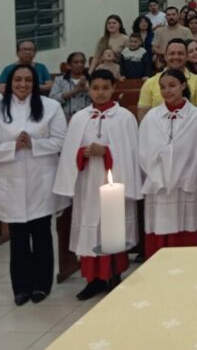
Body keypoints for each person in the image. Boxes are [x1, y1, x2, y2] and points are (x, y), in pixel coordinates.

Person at [0, 65, 68, 304]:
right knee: (18, 237)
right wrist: (13, 147)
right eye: (18, 80)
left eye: (28, 80)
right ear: (10, 83)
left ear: (35, 82)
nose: (22, 84)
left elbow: (61, 141)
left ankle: (41, 285)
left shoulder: (51, 107)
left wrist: (34, 144)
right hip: (11, 183)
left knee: (41, 234)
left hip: (42, 180)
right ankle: (21, 287)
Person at [53, 69, 140, 300]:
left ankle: (113, 276)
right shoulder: (80, 118)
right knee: (90, 230)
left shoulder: (125, 118)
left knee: (113, 229)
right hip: (87, 185)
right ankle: (93, 279)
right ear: (88, 89)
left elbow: (131, 154)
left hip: (114, 182)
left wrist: (106, 151)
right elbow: (70, 152)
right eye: (95, 88)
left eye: (105, 88)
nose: (100, 93)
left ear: (113, 88)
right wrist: (83, 152)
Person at [138, 69, 197, 258]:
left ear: (183, 86)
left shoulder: (196, 117)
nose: (167, 91)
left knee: (185, 232)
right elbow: (143, 149)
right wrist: (157, 171)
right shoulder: (152, 117)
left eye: (172, 85)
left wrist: (187, 174)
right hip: (159, 184)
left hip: (186, 183)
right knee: (159, 232)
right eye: (163, 87)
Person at [135, 38, 197, 121]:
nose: (176, 57)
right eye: (172, 53)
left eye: (180, 53)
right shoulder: (150, 83)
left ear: (187, 57)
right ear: (165, 56)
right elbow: (143, 118)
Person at [50, 51, 91, 119]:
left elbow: (100, 98)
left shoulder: (92, 79)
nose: (80, 65)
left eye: (82, 62)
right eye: (76, 62)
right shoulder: (60, 80)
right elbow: (52, 99)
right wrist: (73, 92)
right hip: (65, 118)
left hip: (87, 118)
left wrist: (87, 89)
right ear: (68, 65)